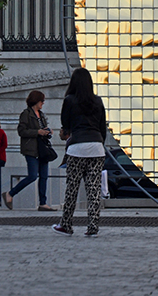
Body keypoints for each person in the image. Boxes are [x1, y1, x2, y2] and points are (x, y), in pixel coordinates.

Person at [53, 68, 108, 237]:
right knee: (94, 190)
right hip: (97, 147)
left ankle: (66, 225)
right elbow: (102, 128)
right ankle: (93, 227)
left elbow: (66, 127)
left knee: (72, 188)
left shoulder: (69, 101)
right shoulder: (98, 101)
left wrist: (64, 135)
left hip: (77, 148)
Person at [4, 90, 54, 211]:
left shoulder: (41, 115)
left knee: (44, 176)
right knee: (32, 176)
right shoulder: (26, 114)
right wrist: (37, 132)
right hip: (31, 149)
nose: (43, 103)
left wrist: (47, 131)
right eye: (41, 101)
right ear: (36, 101)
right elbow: (21, 131)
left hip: (42, 149)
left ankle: (43, 202)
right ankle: (10, 193)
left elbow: (42, 129)